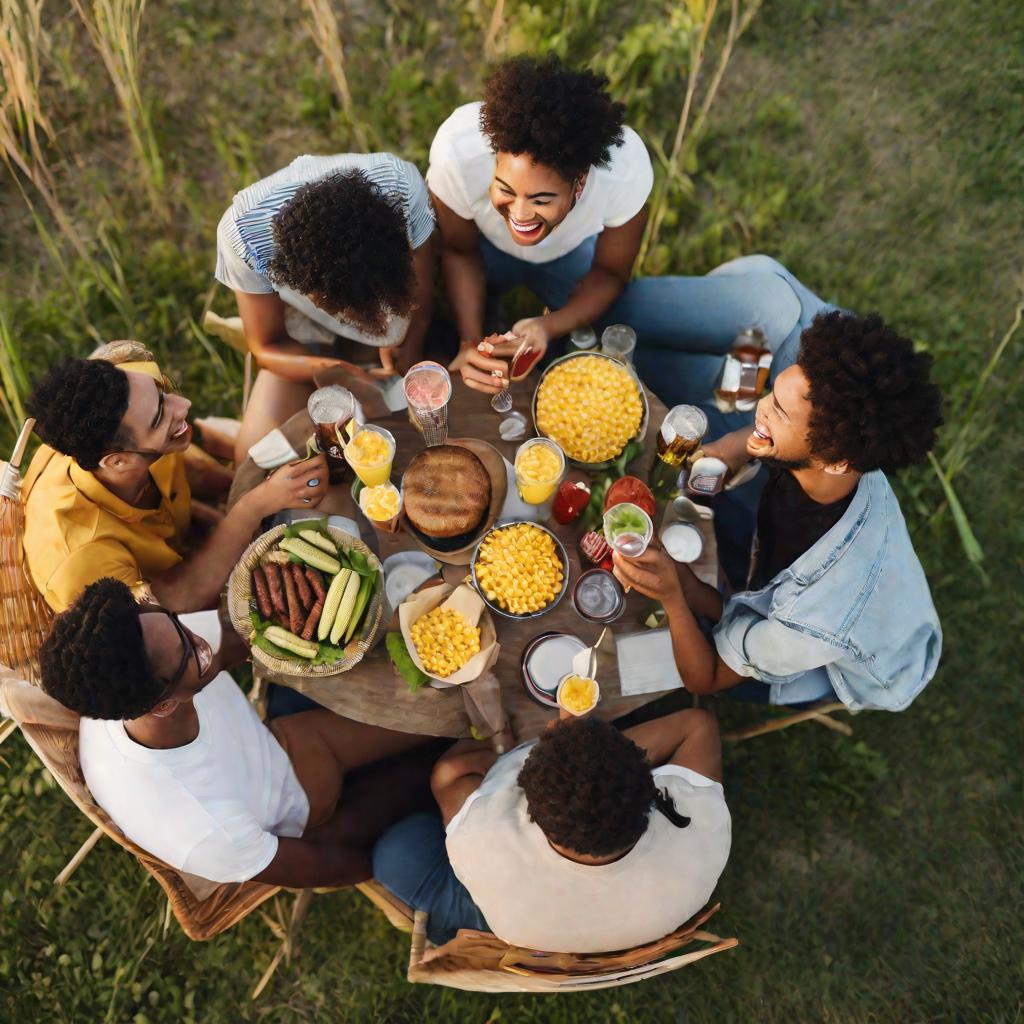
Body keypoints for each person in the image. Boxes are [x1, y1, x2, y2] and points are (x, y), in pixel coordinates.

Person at [612, 311, 944, 711]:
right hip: (789, 580)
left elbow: (709, 678)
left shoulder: (814, 619)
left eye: (780, 413)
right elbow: (769, 433)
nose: (760, 408)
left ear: (836, 459)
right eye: (773, 393)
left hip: (820, 658)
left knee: (651, 669)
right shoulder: (843, 454)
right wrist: (735, 448)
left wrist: (673, 597)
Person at [39, 579, 436, 886]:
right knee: (436, 761)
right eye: (192, 652)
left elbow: (238, 641)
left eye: (176, 622)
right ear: (163, 705)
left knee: (433, 708)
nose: (198, 640)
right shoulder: (201, 828)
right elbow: (319, 867)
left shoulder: (136, 658)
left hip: (286, 740)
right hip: (308, 818)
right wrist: (374, 862)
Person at [372, 710, 730, 951]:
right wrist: (602, 758)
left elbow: (449, 773)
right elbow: (697, 723)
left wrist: (505, 749)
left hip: (514, 920)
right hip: (606, 921)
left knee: (393, 854)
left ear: (534, 816)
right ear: (646, 789)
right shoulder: (704, 833)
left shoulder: (484, 837)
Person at [23, 356, 327, 613]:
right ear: (118, 461)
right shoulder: (80, 561)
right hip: (172, 599)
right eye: (159, 417)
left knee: (279, 379)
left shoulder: (130, 391)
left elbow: (193, 434)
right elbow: (175, 604)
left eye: (164, 393)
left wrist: (243, 474)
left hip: (188, 521)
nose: (183, 404)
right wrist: (252, 506)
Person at [427, 55, 653, 393]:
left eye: (541, 200)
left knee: (616, 315)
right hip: (483, 248)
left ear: (579, 183)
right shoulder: (456, 154)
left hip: (571, 255)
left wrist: (548, 326)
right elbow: (459, 251)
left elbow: (609, 272)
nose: (520, 214)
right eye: (505, 190)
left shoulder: (623, 171)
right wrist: (470, 343)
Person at [215, 154, 436, 463]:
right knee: (251, 457)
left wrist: (409, 348)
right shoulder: (242, 236)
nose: (381, 326)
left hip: (401, 317)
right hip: (301, 332)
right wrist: (343, 377)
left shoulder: (402, 187)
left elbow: (422, 295)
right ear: (317, 298)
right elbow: (266, 344)